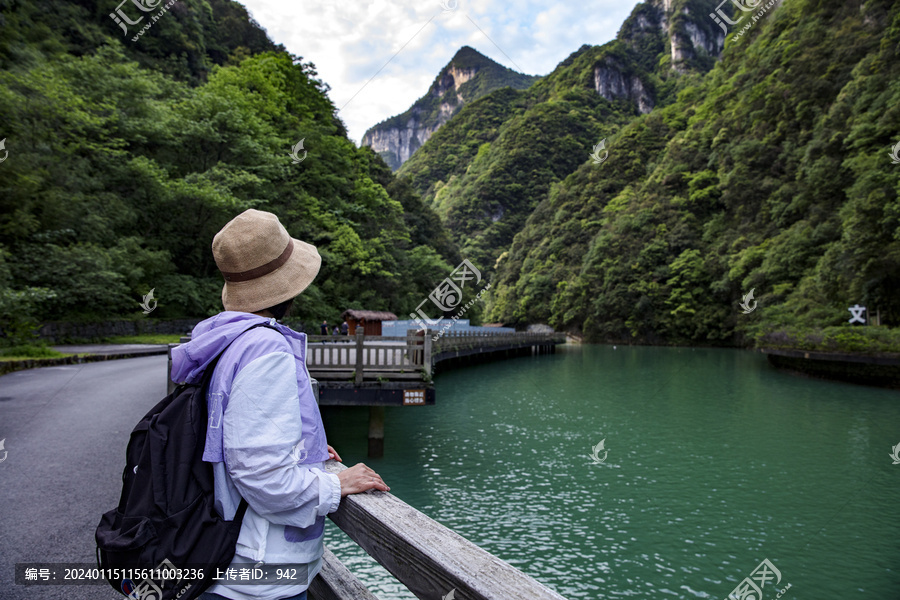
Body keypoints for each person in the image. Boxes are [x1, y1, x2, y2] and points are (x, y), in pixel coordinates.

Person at [170, 209, 389, 600]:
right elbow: (263, 477)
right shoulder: (265, 349)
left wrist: (305, 452)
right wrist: (335, 483)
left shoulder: (224, 341)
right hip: (257, 575)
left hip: (222, 557)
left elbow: (232, 432)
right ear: (287, 287)